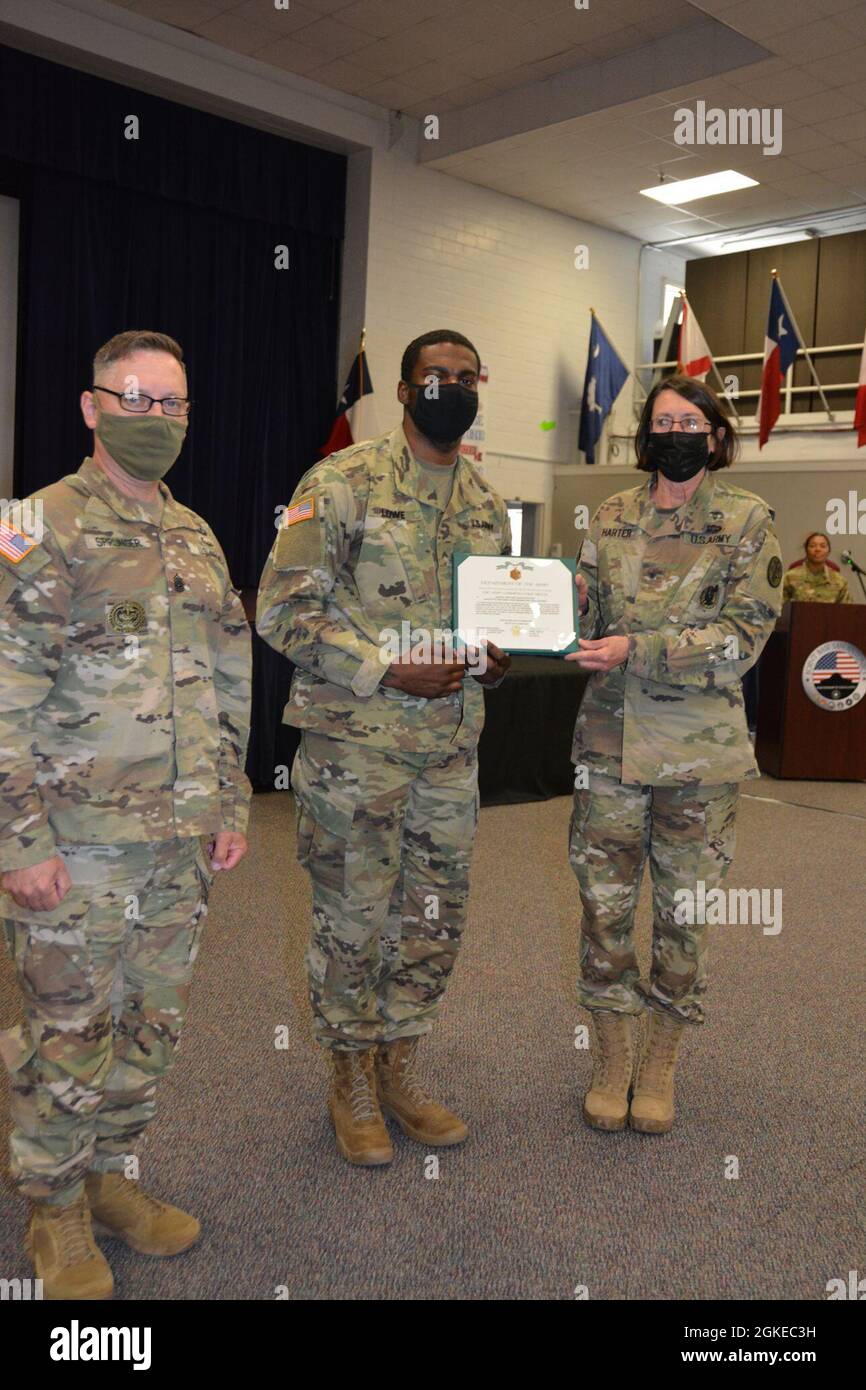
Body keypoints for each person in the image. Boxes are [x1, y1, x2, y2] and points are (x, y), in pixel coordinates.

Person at [0, 331, 251, 1299]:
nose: (157, 419)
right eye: (137, 398)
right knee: (68, 1032)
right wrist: (17, 840)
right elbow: (6, 693)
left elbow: (229, 680)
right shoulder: (36, 525)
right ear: (89, 405)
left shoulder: (194, 534)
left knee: (150, 1026)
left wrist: (229, 801)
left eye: (173, 404)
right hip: (75, 847)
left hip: (177, 845)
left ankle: (105, 1179)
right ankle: (53, 1213)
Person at [257, 329, 511, 1167]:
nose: (451, 387)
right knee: (353, 921)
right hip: (355, 751)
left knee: (432, 921)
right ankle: (350, 1080)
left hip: (448, 754)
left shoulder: (484, 499)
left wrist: (498, 656)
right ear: (404, 391)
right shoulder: (340, 482)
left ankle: (401, 1065)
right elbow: (284, 610)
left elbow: (489, 621)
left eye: (466, 376)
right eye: (435, 375)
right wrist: (384, 668)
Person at [567, 374, 782, 1135]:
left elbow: (743, 638)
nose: (674, 432)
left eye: (689, 421)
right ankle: (612, 1054)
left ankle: (661, 1057)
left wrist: (640, 648)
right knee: (606, 907)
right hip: (608, 744)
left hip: (697, 755)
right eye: (661, 421)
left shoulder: (747, 520)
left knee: (686, 913)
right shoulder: (613, 513)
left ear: (716, 437)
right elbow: (584, 605)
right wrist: (538, 611)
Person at [782, 531, 851, 604]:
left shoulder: (840, 581)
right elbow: (779, 608)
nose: (818, 549)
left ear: (829, 551)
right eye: (812, 546)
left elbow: (847, 611)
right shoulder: (790, 577)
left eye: (823, 546)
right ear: (806, 550)